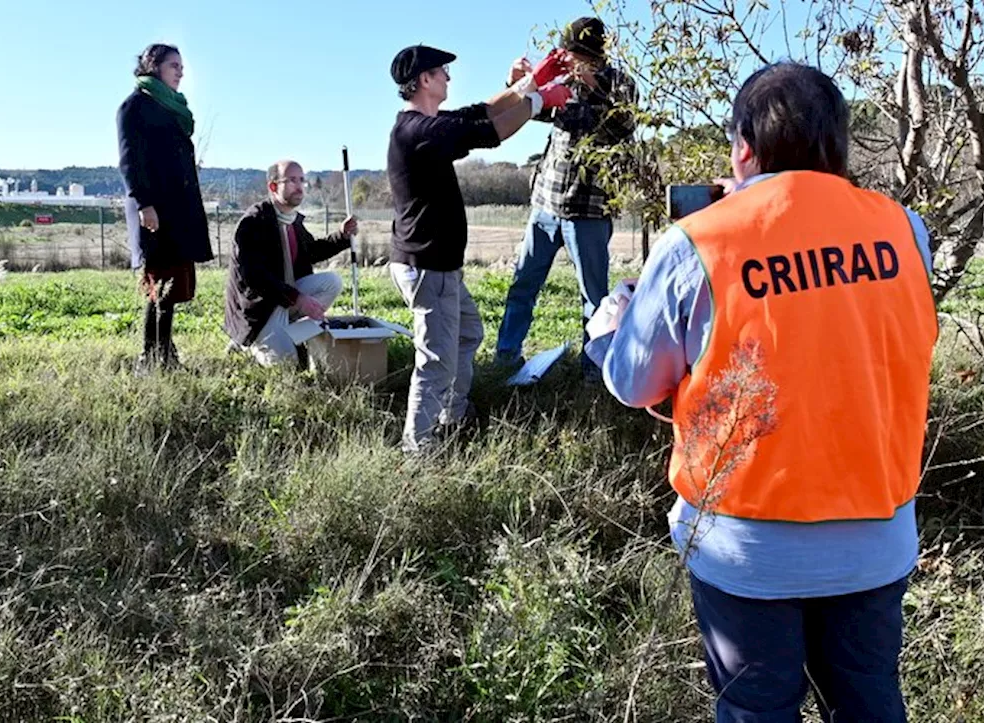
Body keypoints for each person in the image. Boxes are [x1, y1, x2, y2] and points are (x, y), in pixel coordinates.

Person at [587, 62, 938, 721]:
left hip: (746, 546)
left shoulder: (699, 241)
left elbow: (635, 383)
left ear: (742, 146)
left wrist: (610, 329)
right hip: (877, 534)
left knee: (756, 708)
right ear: (838, 144)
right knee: (870, 700)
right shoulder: (905, 230)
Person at [387, 44, 573, 452]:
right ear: (425, 80)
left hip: (437, 265)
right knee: (435, 360)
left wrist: (532, 81)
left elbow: (483, 111)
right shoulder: (420, 132)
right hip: (427, 267)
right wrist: (543, 100)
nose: (449, 78)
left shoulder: (426, 123)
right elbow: (491, 132)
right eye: (442, 72)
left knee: (468, 332)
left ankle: (452, 412)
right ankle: (417, 449)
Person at [493, 17, 638, 380]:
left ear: (594, 55)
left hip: (589, 208)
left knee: (595, 298)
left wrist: (592, 86)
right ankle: (506, 358)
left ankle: (593, 370)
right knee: (523, 283)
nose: (569, 61)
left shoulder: (621, 85)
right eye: (567, 53)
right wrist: (517, 82)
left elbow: (624, 127)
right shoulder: (561, 78)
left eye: (575, 55)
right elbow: (527, 108)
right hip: (546, 203)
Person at [117, 43, 213, 372]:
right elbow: (130, 162)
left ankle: (166, 356)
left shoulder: (172, 107)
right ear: (154, 65)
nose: (181, 71)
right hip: (155, 212)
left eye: (182, 66)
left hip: (177, 212)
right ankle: (150, 359)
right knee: (158, 287)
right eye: (175, 65)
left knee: (171, 288)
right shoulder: (135, 106)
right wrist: (144, 204)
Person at [224, 159, 357, 366]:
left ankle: (293, 328)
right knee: (287, 365)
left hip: (285, 297)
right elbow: (254, 277)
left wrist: (342, 235)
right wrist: (297, 299)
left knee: (332, 281)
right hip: (260, 308)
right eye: (292, 180)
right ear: (273, 186)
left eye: (302, 180)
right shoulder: (253, 223)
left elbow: (311, 251)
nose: (300, 186)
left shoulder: (292, 220)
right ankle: (246, 344)